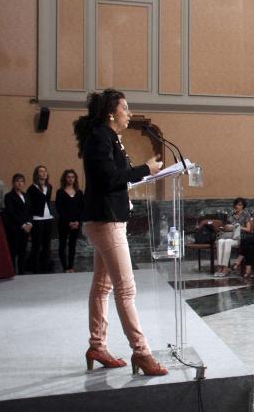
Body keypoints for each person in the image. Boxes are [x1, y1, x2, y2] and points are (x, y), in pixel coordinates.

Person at [74, 88, 167, 375]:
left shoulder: (109, 137)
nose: (129, 112)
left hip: (110, 218)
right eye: (125, 108)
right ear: (111, 113)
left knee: (103, 287)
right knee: (126, 289)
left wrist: (145, 173)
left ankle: (97, 345)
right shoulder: (100, 138)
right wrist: (146, 168)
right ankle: (141, 352)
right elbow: (110, 178)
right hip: (105, 221)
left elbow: (116, 179)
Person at [54, 169, 84, 273]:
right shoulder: (60, 192)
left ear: (75, 179)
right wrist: (68, 222)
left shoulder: (79, 193)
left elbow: (82, 208)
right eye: (68, 177)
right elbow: (59, 208)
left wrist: (77, 222)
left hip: (76, 223)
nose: (70, 179)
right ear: (65, 179)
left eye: (72, 177)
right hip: (64, 223)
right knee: (62, 245)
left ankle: (71, 266)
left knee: (72, 245)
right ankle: (65, 267)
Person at [26, 165, 55, 273]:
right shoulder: (32, 188)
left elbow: (46, 202)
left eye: (45, 171)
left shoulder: (49, 187)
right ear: (37, 174)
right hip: (37, 218)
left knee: (47, 244)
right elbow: (30, 206)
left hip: (48, 217)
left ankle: (45, 267)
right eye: (41, 171)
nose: (44, 173)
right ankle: (35, 268)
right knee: (37, 244)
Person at [214, 197, 251, 277]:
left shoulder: (246, 214)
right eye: (236, 204)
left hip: (239, 237)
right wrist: (227, 227)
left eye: (240, 205)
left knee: (227, 242)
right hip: (229, 235)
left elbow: (248, 229)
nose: (237, 206)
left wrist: (237, 226)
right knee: (220, 241)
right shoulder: (231, 214)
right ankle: (219, 266)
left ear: (243, 206)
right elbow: (226, 226)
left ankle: (225, 268)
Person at [2, 173, 31, 274]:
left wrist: (29, 223)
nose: (19, 183)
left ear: (24, 183)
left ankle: (22, 272)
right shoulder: (8, 196)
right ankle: (12, 272)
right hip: (15, 228)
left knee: (23, 252)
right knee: (13, 251)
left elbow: (29, 211)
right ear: (13, 183)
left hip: (26, 228)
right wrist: (23, 225)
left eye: (21, 181)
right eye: (17, 181)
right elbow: (11, 212)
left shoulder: (26, 195)